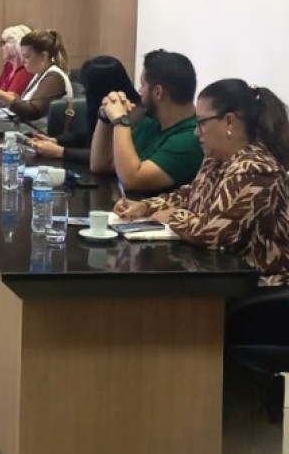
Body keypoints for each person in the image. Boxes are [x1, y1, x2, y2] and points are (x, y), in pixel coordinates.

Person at [116, 79, 289, 286]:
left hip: (258, 285)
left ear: (229, 122)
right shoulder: (216, 159)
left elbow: (214, 233)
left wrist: (173, 216)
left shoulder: (254, 169)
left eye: (202, 122)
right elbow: (189, 195)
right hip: (221, 276)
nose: (196, 131)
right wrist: (146, 207)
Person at [91, 49, 203, 192]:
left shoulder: (192, 138)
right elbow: (102, 165)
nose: (139, 90)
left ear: (158, 92)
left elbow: (131, 180)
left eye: (143, 85)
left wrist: (120, 120)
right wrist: (105, 115)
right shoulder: (151, 123)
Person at [30, 56, 140, 163]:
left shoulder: (132, 114)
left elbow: (106, 157)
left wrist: (60, 152)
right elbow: (89, 136)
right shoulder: (103, 106)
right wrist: (56, 140)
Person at [0, 29, 72, 128]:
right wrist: (4, 99)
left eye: (27, 57)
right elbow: (27, 104)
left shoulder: (54, 77)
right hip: (31, 129)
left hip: (42, 133)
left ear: (43, 56)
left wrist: (1, 94)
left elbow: (33, 111)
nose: (23, 61)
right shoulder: (39, 74)